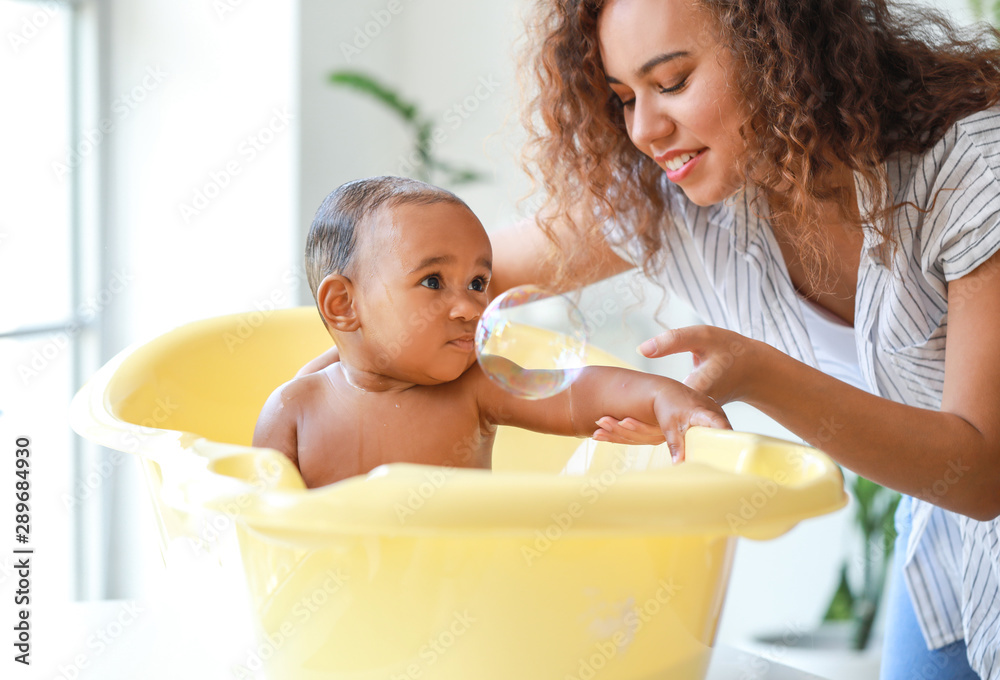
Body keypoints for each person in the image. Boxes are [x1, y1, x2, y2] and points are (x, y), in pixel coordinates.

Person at [483, 0, 1000, 678]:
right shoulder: (673, 200)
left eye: (671, 83)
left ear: (779, 47)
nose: (645, 128)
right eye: (622, 98)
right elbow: (457, 274)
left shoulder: (971, 168)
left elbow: (984, 471)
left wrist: (758, 375)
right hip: (943, 540)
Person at [253, 176, 730, 488]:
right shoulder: (294, 411)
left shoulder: (475, 386)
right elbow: (258, 526)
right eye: (433, 282)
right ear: (343, 305)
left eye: (478, 283)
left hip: (467, 611)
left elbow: (576, 392)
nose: (468, 306)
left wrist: (664, 398)